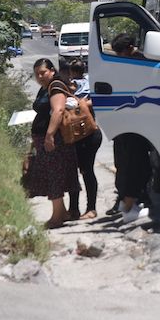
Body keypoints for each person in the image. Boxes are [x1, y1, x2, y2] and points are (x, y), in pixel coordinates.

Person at [23, 58, 80, 229]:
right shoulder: (45, 88)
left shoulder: (55, 86)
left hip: (54, 141)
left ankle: (56, 217)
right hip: (44, 140)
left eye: (43, 72)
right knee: (51, 174)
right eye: (37, 74)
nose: (40, 76)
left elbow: (58, 110)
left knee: (54, 175)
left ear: (52, 71)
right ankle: (61, 212)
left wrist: (49, 135)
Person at [105, 33, 151, 223]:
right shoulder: (124, 63)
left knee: (136, 164)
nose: (120, 56)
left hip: (137, 123)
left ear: (131, 48)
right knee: (125, 164)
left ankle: (131, 203)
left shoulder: (141, 63)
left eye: (122, 52)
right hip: (126, 123)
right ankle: (128, 201)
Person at [66, 59, 102, 220]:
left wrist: (79, 104)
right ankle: (76, 209)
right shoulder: (88, 83)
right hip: (78, 135)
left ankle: (88, 209)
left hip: (85, 135)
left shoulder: (72, 85)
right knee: (81, 172)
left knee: (83, 171)